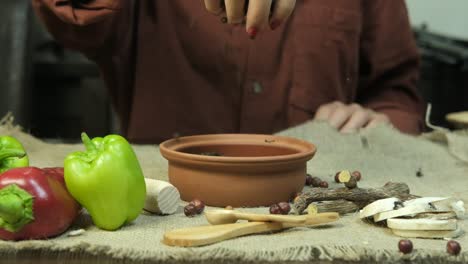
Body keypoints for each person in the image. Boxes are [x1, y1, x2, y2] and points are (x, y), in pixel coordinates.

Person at [32, 0, 425, 143]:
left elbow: (398, 94)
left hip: (323, 222)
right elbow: (71, 13)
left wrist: (380, 124)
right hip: (160, 222)